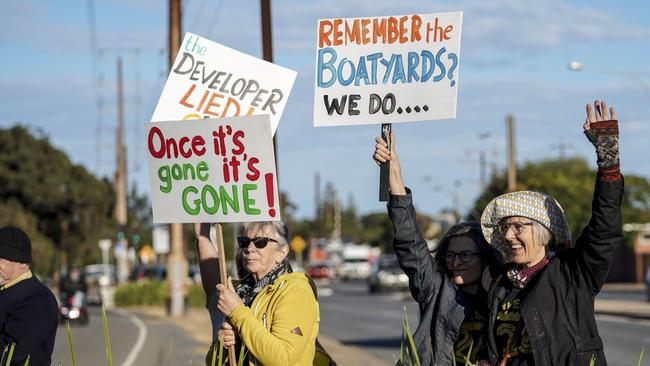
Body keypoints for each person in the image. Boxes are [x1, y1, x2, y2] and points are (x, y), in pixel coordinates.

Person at [480, 100, 623, 365]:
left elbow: (604, 228)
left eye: (518, 226)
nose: (509, 236)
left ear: (544, 231)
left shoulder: (573, 273)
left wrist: (608, 159)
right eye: (505, 227)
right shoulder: (501, 284)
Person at [374, 135, 500, 365]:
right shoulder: (436, 289)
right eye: (450, 255)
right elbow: (410, 244)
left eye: (465, 255)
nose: (456, 262)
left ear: (485, 258)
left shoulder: (502, 296)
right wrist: (394, 174)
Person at [195, 222, 320, 366]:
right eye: (244, 241)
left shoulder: (296, 290)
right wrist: (223, 344)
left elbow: (283, 359)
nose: (249, 248)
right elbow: (212, 363)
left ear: (282, 252)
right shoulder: (239, 291)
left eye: (260, 242)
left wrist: (237, 312)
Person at [0, 226, 58, 365]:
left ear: (22, 263)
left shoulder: (36, 299)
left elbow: (10, 352)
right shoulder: (7, 290)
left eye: (1, 259)